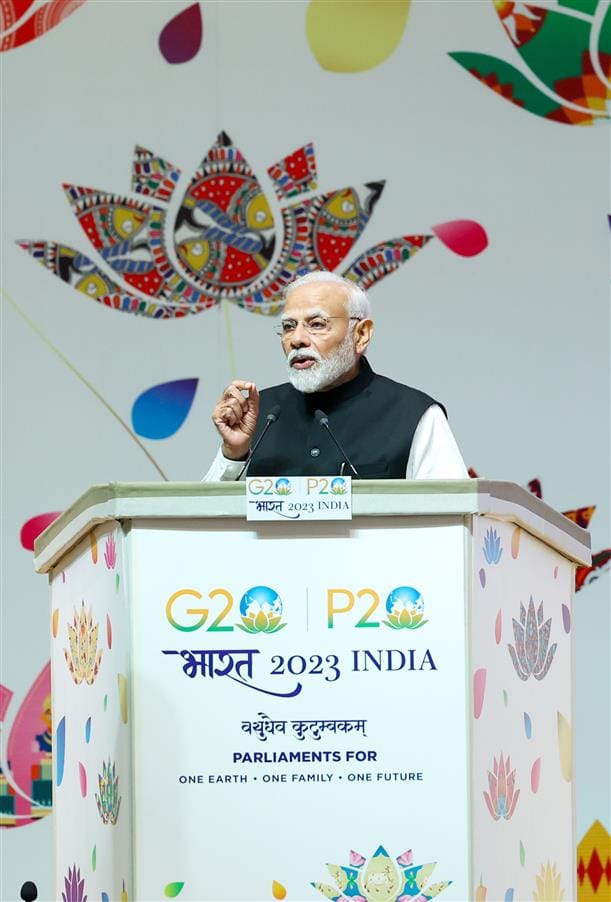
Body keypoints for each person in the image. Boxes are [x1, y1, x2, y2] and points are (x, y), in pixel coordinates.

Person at [204, 271, 467, 480]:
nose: (297, 339)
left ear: (361, 335)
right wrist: (234, 455)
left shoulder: (414, 414)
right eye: (288, 326)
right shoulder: (260, 413)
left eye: (317, 324)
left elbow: (453, 520)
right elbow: (206, 526)